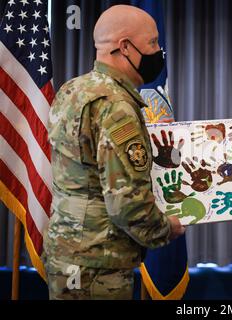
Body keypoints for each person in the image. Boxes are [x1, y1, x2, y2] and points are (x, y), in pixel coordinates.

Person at [43, 5, 185, 300]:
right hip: (99, 263)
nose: (160, 51)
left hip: (65, 250)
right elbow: (127, 203)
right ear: (125, 47)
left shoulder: (72, 90)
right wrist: (165, 230)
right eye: (153, 43)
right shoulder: (116, 106)